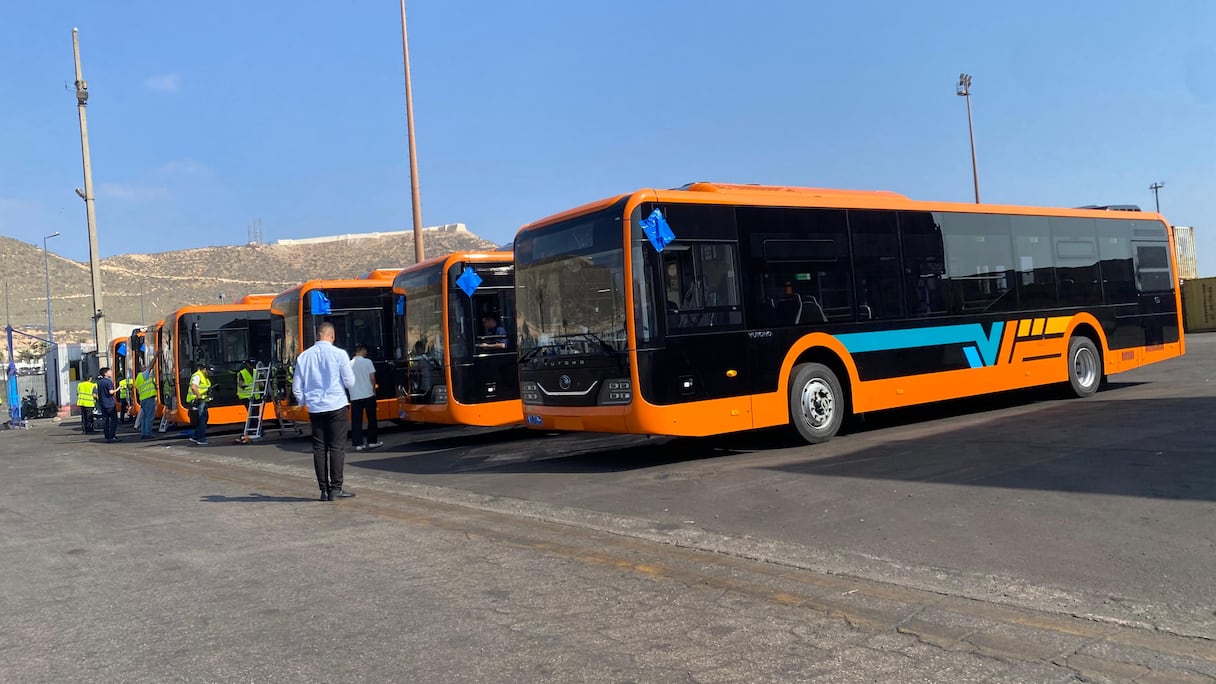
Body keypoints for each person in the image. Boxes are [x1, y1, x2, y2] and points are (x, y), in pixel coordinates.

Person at [292, 322, 356, 501]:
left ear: (317, 335)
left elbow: (297, 387)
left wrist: (304, 401)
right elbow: (350, 382)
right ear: (332, 336)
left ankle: (323, 490)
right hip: (336, 405)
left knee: (319, 448)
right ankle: (336, 488)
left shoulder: (304, 356)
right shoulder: (339, 354)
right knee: (336, 447)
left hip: (315, 408)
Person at [348, 343, 381, 452]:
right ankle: (372, 441)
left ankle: (358, 443)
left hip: (355, 396)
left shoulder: (349, 364)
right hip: (368, 394)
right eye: (365, 350)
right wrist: (374, 389)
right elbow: (372, 377)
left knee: (356, 421)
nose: (366, 353)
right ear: (362, 350)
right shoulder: (368, 362)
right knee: (372, 419)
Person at [186, 362, 213, 446]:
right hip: (198, 401)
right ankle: (201, 439)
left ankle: (195, 437)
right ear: (204, 369)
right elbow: (193, 387)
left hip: (202, 401)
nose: (210, 373)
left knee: (203, 419)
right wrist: (199, 397)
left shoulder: (204, 377)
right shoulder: (197, 375)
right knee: (202, 420)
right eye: (209, 371)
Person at [95, 367, 120, 443]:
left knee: (105, 421)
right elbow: (111, 392)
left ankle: (107, 436)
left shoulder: (99, 382)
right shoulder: (108, 382)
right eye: (109, 371)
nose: (111, 373)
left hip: (103, 403)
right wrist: (118, 389)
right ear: (105, 373)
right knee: (114, 420)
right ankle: (112, 436)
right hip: (110, 404)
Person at [134, 364, 158, 440]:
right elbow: (151, 366)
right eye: (144, 367)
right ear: (141, 369)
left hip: (143, 399)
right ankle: (148, 433)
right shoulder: (143, 375)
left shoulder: (138, 378)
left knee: (144, 417)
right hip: (148, 398)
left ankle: (144, 433)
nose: (146, 368)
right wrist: (155, 357)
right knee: (149, 417)